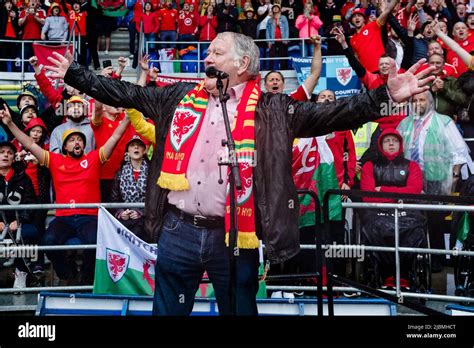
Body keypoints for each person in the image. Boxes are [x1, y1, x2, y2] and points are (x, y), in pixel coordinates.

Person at [45, 31, 435, 315]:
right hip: (178, 230)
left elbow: (331, 114)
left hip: (235, 234)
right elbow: (124, 94)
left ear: (242, 64)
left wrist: (385, 95)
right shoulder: (177, 97)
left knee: (239, 311)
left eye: (216, 51)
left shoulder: (273, 108)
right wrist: (75, 74)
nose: (207, 56)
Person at [0, 104, 130, 285]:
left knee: (94, 241)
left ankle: (86, 278)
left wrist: (129, 116)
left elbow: (116, 136)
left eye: (80, 140)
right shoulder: (54, 160)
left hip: (89, 217)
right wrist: (10, 124)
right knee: (48, 241)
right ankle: (67, 275)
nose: (77, 142)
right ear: (64, 146)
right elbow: (29, 143)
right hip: (64, 218)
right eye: (72, 140)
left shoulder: (93, 158)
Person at [360, 128, 425, 289]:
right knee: (377, 228)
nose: (391, 144)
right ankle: (385, 274)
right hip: (377, 214)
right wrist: (400, 195)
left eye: (394, 141)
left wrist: (382, 190)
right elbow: (368, 196)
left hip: (407, 214)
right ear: (381, 144)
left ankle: (404, 275)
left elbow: (414, 192)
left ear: (400, 144)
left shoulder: (412, 166)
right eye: (387, 141)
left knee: (413, 229)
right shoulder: (369, 166)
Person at [0, 140, 39, 291]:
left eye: (9, 153)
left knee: (30, 233)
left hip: (17, 224)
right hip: (0, 225)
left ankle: (21, 272)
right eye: (2, 152)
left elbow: (31, 203)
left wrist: (19, 220)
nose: (5, 155)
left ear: (13, 158)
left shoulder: (23, 178)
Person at [110, 134, 149, 239]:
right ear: (127, 151)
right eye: (132, 145)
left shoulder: (152, 173)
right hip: (125, 218)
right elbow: (115, 199)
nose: (136, 147)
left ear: (144, 151)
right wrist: (121, 212)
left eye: (139, 145)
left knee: (139, 231)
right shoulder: (120, 172)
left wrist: (140, 212)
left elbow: (155, 201)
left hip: (146, 218)